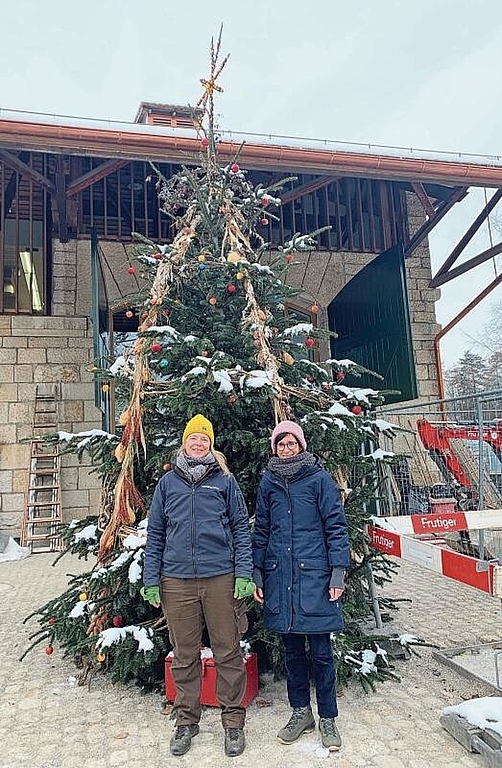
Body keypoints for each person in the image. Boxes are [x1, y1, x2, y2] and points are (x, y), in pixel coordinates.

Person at [143, 414, 255, 758]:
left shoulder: (224, 481)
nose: (198, 443)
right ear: (184, 442)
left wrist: (244, 573)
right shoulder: (168, 484)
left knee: (228, 651)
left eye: (204, 439)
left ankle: (233, 722)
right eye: (193, 438)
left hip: (220, 576)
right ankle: (186, 721)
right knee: (185, 654)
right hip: (176, 580)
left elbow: (239, 528)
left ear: (211, 444)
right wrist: (151, 580)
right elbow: (156, 533)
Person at [252, 420, 349, 751]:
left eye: (292, 443)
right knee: (292, 652)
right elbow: (262, 529)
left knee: (322, 653)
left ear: (301, 446)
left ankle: (328, 719)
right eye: (281, 444)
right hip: (280, 578)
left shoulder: (319, 480)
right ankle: (300, 713)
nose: (286, 449)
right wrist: (257, 572)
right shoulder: (269, 482)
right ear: (275, 447)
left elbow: (336, 527)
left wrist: (337, 572)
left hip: (315, 579)